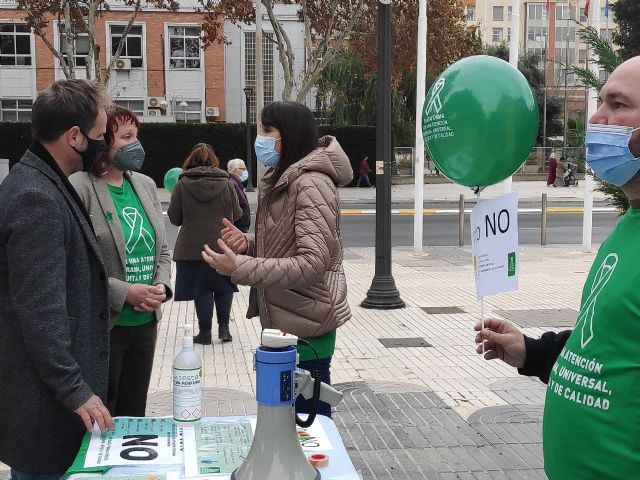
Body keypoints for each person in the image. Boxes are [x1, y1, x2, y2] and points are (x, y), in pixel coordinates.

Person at [475, 56, 640, 479]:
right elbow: (607, 347)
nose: (597, 117)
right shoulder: (629, 224)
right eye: (600, 101)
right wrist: (533, 351)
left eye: (618, 105)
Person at [201, 101, 352, 417]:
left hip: (308, 330)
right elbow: (288, 242)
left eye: (268, 130)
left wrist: (240, 267)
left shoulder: (311, 183)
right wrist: (248, 243)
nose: (262, 139)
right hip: (288, 322)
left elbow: (311, 263)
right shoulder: (286, 177)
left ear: (290, 135)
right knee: (287, 430)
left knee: (309, 434)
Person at [0, 79, 113, 478]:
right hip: (47, 412)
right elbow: (39, 310)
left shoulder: (42, 182)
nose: (105, 144)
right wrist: (76, 390)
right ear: (74, 136)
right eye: (100, 136)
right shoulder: (36, 197)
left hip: (54, 406)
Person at [70, 105, 172, 418]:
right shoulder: (81, 187)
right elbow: (77, 264)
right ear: (103, 141)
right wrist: (124, 292)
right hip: (107, 326)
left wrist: (162, 287)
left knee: (135, 414)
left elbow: (163, 249)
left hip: (146, 325)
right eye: (126, 136)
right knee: (106, 416)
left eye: (136, 135)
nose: (135, 143)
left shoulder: (143, 185)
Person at [168, 144, 242, 344]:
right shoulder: (227, 183)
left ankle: (205, 333)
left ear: (190, 161)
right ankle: (224, 330)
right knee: (224, 285)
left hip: (192, 247)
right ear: (214, 162)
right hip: (222, 243)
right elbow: (237, 214)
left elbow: (174, 217)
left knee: (201, 288)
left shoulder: (182, 184)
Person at [227, 158, 251, 233]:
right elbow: (241, 204)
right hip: (239, 227)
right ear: (235, 170)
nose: (245, 172)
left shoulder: (234, 183)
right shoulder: (233, 184)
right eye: (243, 169)